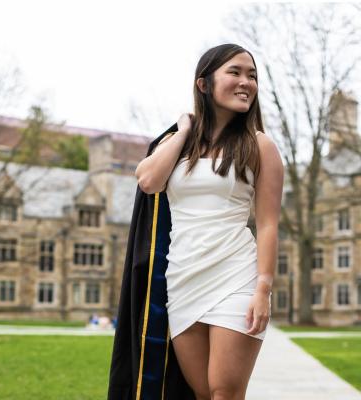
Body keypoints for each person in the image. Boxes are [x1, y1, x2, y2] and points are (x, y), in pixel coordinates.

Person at [108, 43, 284, 400]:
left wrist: (262, 289)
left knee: (224, 393)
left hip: (235, 276)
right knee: (202, 393)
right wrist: (186, 129)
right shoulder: (178, 144)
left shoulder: (259, 145)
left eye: (252, 76)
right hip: (183, 278)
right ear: (203, 84)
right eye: (234, 72)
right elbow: (148, 181)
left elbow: (267, 224)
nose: (246, 82)